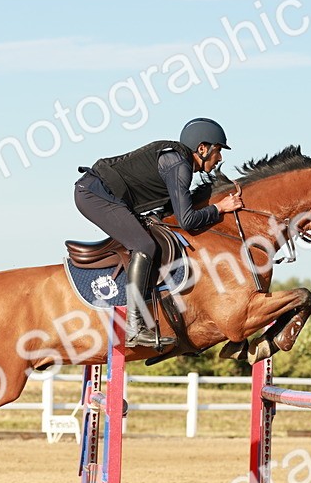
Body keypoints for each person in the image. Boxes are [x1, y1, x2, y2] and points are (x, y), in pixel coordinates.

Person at [74, 117, 243, 349]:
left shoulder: (178, 161)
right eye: (218, 150)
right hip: (94, 195)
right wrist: (219, 208)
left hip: (101, 194)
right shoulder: (178, 165)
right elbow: (188, 220)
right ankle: (134, 328)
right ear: (202, 149)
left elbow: (173, 212)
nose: (220, 158)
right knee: (144, 245)